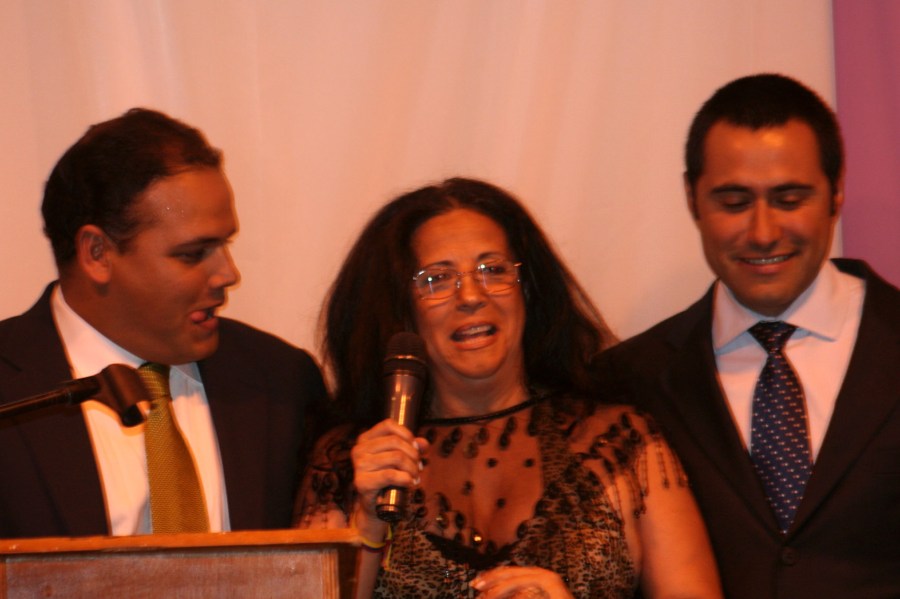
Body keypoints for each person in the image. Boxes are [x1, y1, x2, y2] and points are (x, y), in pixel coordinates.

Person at [295, 178, 721, 598]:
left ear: (528, 291)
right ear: (399, 308)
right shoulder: (348, 462)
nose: (470, 296)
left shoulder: (620, 442)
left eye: (493, 270)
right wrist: (369, 521)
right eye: (437, 279)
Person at [596, 74, 900, 598]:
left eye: (789, 199)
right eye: (734, 202)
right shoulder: (626, 383)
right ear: (692, 199)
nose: (762, 232)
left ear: (836, 193)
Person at [0, 108, 327, 538]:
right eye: (193, 254)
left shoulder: (282, 381)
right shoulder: (10, 394)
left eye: (225, 245)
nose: (229, 274)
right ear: (97, 253)